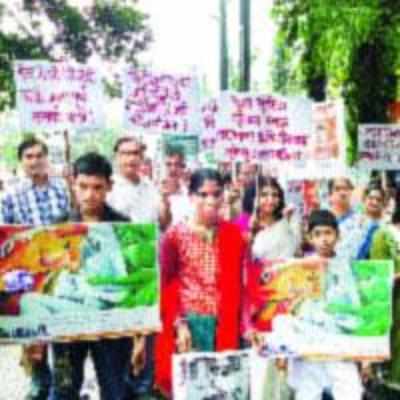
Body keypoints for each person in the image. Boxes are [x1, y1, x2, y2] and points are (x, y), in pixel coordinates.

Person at [154, 169, 245, 397]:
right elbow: (166, 285)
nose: (211, 200)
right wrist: (179, 324)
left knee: (225, 389)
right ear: (191, 196)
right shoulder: (175, 236)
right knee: (193, 390)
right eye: (203, 194)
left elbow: (241, 284)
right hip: (191, 324)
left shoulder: (233, 234)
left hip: (226, 323)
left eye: (216, 194)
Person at [49, 153, 133, 400]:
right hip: (68, 322)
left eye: (97, 187)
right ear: (72, 183)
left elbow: (133, 279)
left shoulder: (124, 226)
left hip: (111, 323)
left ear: (109, 186)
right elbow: (50, 280)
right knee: (65, 388)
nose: (89, 194)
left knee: (115, 388)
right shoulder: (58, 226)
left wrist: (139, 331)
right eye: (83, 186)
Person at [0, 137, 71, 400]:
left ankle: (63, 386)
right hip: (27, 274)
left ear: (46, 158)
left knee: (61, 330)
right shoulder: (10, 196)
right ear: (21, 161)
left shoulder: (62, 189)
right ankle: (40, 384)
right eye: (28, 157)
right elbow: (5, 237)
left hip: (60, 271)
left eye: (39, 155)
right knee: (34, 334)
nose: (35, 161)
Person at [106, 136, 164, 399]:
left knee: (146, 341)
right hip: (119, 276)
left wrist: (166, 206)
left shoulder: (151, 187)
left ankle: (142, 389)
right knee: (121, 344)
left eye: (136, 153)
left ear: (143, 157)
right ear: (116, 156)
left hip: (148, 274)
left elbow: (163, 223)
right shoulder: (109, 188)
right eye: (125, 153)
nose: (131, 158)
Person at [289, 210, 363, 400]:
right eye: (318, 234)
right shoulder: (300, 268)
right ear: (310, 238)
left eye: (328, 233)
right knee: (307, 394)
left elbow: (356, 307)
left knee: (350, 393)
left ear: (338, 235)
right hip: (309, 344)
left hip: (339, 343)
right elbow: (292, 310)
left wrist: (363, 353)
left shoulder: (349, 268)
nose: (324, 239)